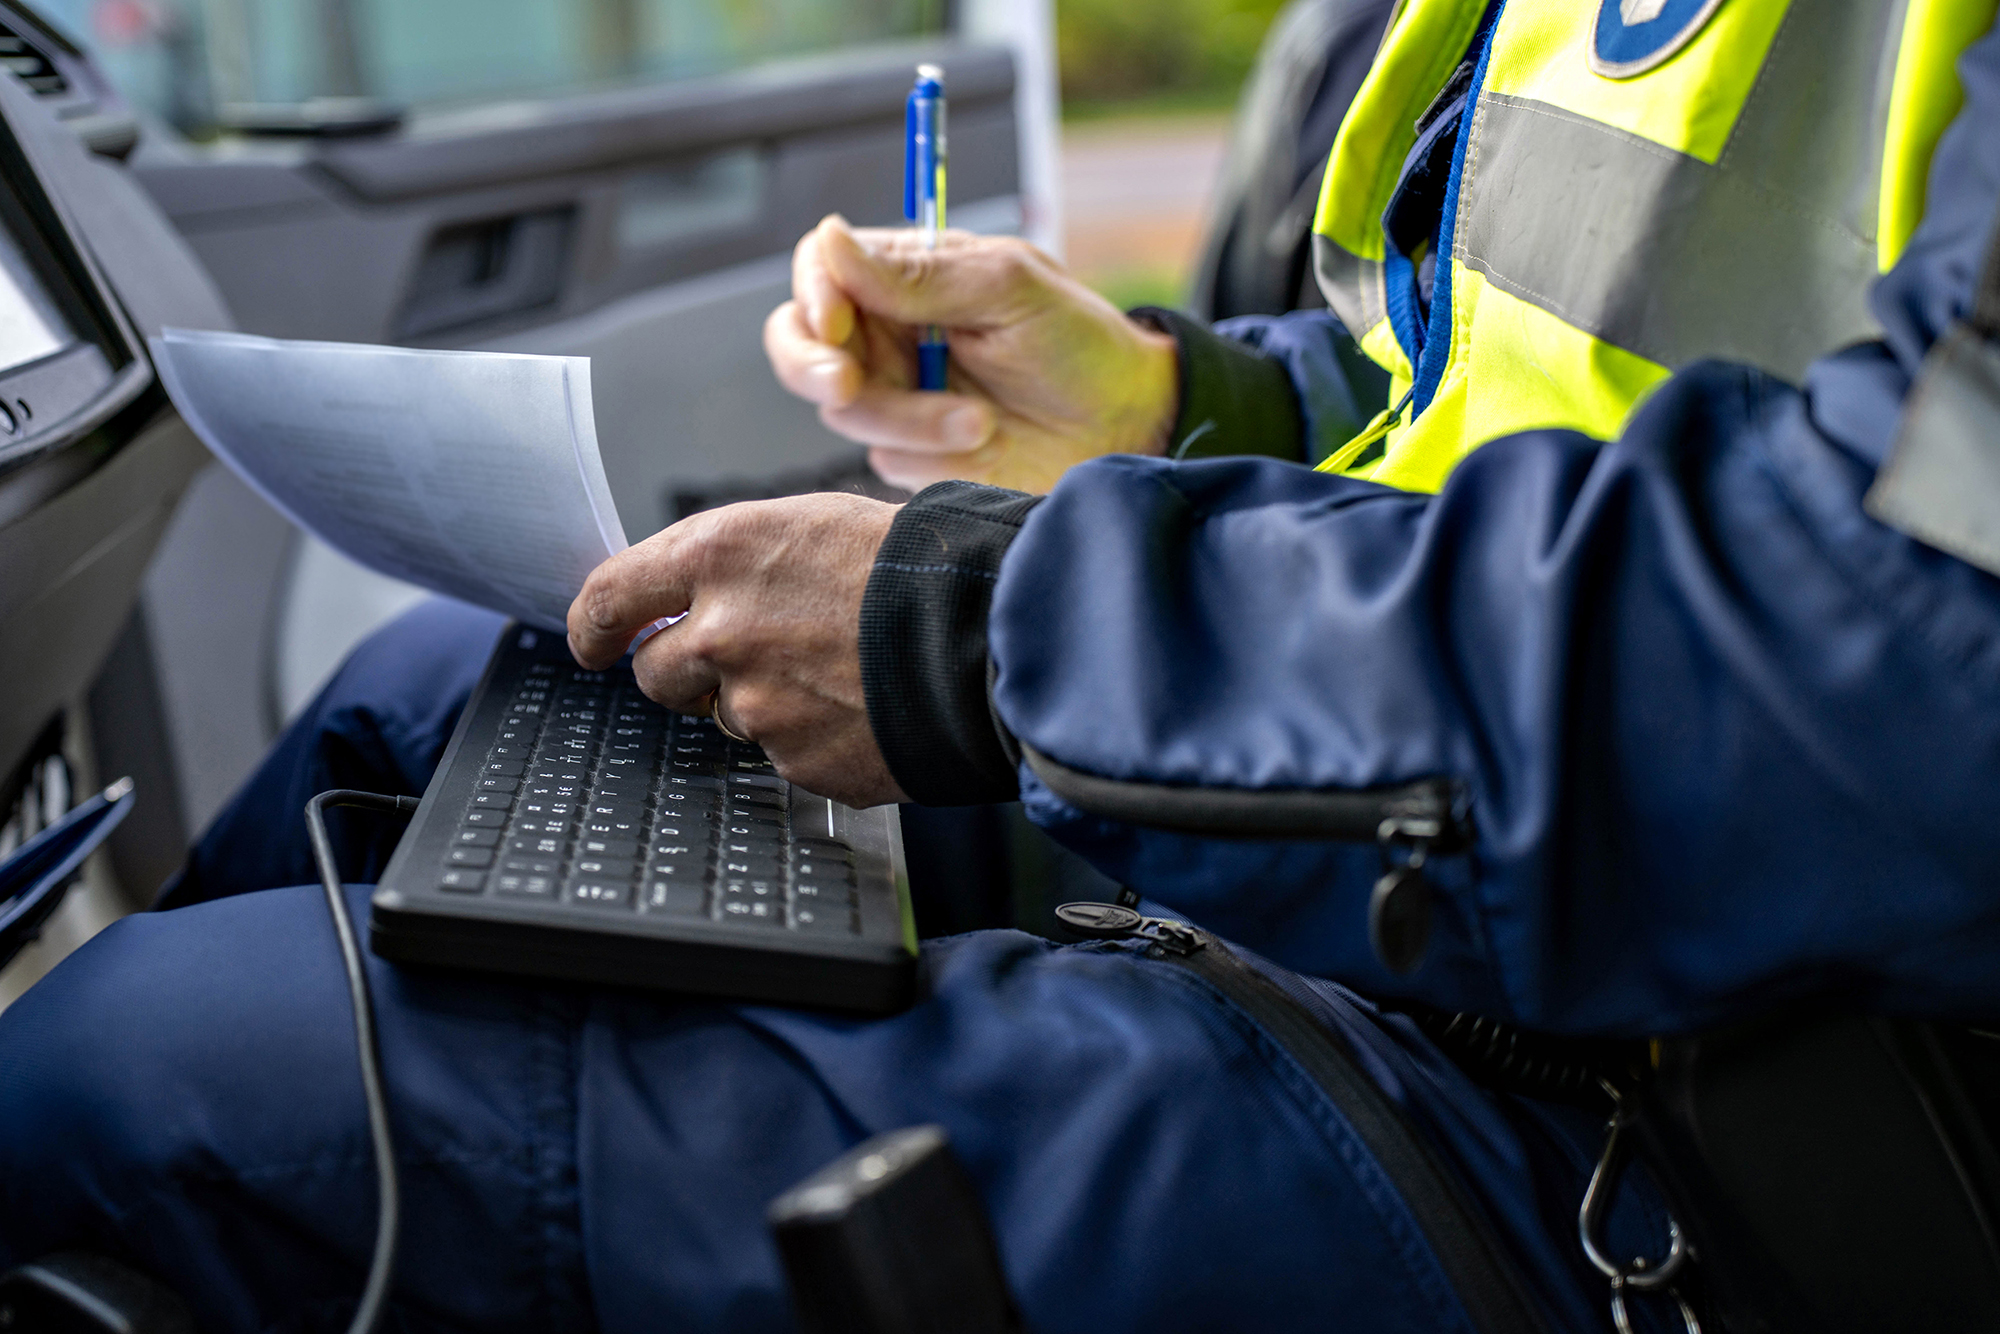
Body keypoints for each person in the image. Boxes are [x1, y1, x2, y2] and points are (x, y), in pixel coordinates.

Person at [8, 2, 2000, 1330]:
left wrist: (981, 627)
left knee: (152, 1064)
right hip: (1457, 828)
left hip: (1751, 1117)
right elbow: (1488, 410)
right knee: (447, 698)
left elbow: (1890, 662)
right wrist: (1166, 398)